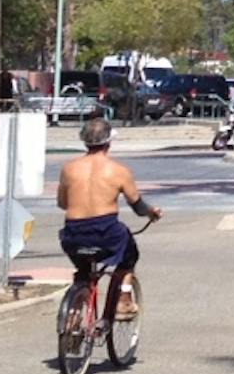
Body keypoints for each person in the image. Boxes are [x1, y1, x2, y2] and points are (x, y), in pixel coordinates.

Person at [55, 114, 160, 317]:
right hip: (106, 231)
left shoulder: (69, 169)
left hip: (73, 232)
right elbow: (137, 206)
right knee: (129, 256)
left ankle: (75, 312)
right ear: (109, 142)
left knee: (84, 271)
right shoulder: (119, 170)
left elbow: (62, 203)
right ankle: (124, 299)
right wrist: (151, 213)